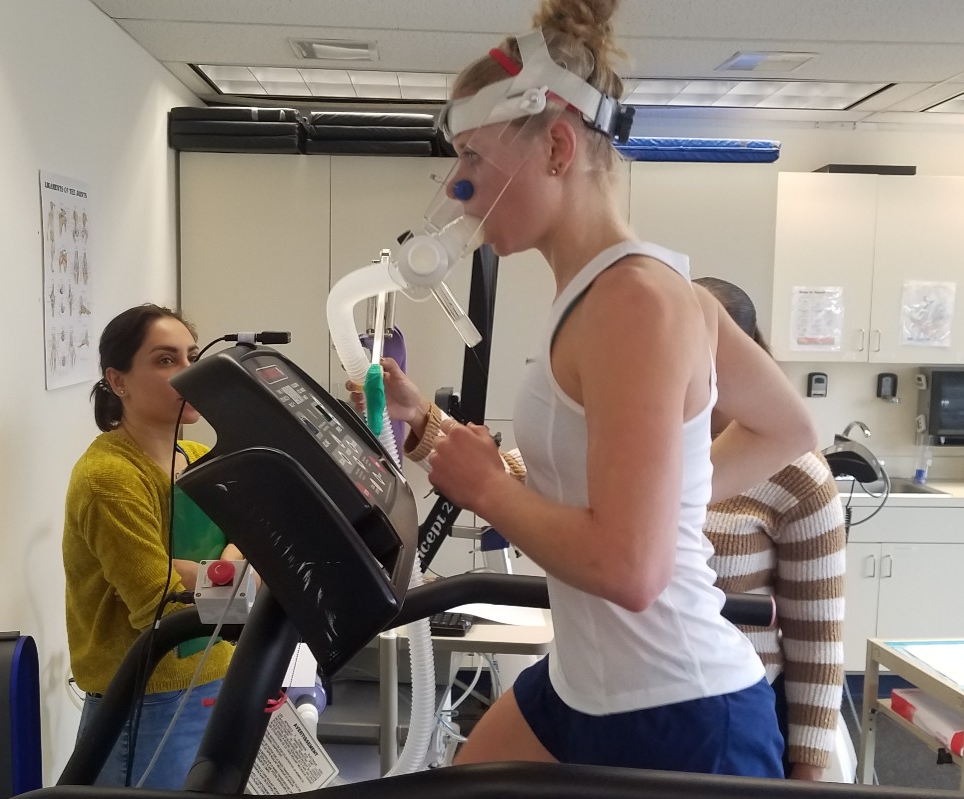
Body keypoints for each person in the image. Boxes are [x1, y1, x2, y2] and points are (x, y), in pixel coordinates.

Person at [350, 0, 816, 777]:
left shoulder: (638, 302)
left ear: (558, 147)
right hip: (585, 683)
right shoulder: (615, 294)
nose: (457, 189)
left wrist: (493, 494)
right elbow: (785, 425)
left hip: (680, 710)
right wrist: (427, 425)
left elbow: (632, 572)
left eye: (473, 160)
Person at [62, 303, 241, 788]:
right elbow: (158, 600)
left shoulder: (203, 456)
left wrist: (219, 570)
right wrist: (235, 571)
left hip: (217, 677)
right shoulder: (108, 478)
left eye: (191, 356)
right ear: (118, 381)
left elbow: (254, 538)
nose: (189, 372)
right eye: (165, 360)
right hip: (145, 700)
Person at [694, 276, 847, 782]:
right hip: (644, 696)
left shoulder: (794, 469)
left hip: (740, 710)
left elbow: (817, 636)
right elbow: (526, 470)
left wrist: (806, 775)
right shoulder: (647, 441)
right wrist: (436, 429)